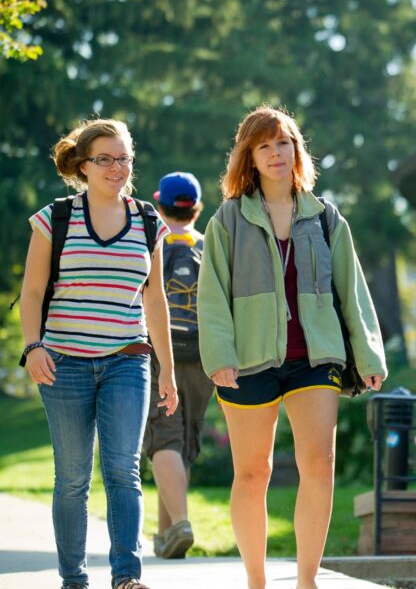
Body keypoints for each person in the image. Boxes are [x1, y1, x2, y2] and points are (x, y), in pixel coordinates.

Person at [197, 104, 387, 589]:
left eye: (284, 143)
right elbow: (213, 294)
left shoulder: (325, 216)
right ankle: (256, 582)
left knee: (319, 466)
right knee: (252, 473)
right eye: (265, 146)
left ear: (296, 149)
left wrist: (368, 357)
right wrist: (219, 357)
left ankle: (307, 581)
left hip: (315, 358)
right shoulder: (228, 219)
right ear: (250, 157)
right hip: (247, 361)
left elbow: (353, 289)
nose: (276, 153)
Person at [19, 118, 177, 589]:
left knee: (123, 470)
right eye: (104, 159)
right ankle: (74, 579)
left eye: (124, 158)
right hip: (63, 362)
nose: (116, 168)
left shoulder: (149, 220)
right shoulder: (56, 217)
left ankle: (127, 577)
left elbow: (156, 299)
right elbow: (32, 290)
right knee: (71, 478)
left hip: (127, 359)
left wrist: (166, 368)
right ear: (83, 166)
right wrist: (32, 347)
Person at [142, 172, 215, 559]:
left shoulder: (153, 244)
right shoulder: (209, 247)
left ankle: (181, 523)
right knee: (182, 443)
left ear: (161, 204)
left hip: (160, 353)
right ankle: (165, 534)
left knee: (162, 438)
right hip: (203, 358)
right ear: (196, 206)